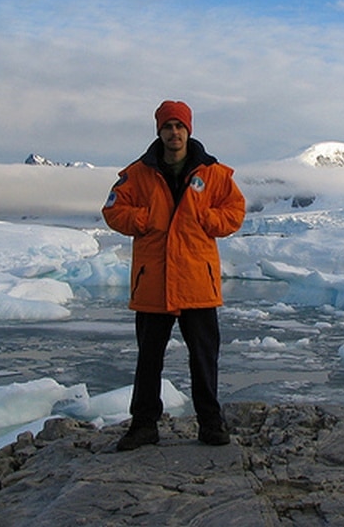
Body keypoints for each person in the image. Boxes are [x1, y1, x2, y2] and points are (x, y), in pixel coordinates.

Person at [102, 100, 246, 450]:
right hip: (153, 281)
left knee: (203, 358)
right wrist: (145, 219)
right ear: (159, 131)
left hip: (197, 281)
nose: (174, 133)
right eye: (168, 126)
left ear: (189, 130)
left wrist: (207, 220)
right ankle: (144, 426)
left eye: (179, 126)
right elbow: (112, 210)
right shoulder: (136, 174)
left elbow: (235, 211)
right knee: (148, 359)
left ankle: (211, 424)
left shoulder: (214, 174)